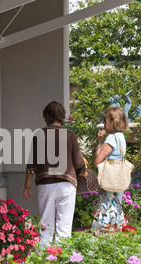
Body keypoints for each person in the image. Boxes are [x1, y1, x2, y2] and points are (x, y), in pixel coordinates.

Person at [23, 101, 85, 245]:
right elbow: (79, 162)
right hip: (66, 184)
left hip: (45, 184)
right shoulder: (70, 135)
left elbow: (31, 164)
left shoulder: (39, 135)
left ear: (47, 116)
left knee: (46, 227)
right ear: (62, 116)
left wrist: (27, 186)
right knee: (64, 228)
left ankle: (44, 263)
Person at [92, 106, 129, 234]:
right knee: (115, 213)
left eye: (106, 119)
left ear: (113, 121)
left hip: (109, 183)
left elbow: (97, 161)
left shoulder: (111, 138)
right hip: (118, 182)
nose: (104, 122)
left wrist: (99, 142)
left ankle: (105, 239)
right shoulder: (121, 137)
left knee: (106, 213)